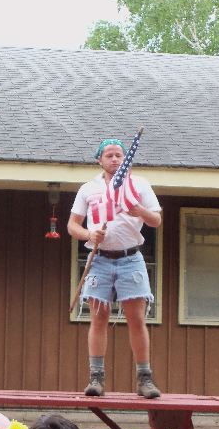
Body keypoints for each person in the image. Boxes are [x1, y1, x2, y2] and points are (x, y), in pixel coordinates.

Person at [67, 138, 162, 399]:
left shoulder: (138, 185)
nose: (115, 159)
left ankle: (145, 378)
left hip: (131, 257)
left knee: (136, 319)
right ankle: (96, 378)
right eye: (109, 155)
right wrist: (89, 234)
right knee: (98, 317)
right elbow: (72, 225)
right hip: (99, 258)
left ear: (126, 158)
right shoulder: (89, 188)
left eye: (119, 155)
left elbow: (156, 220)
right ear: (99, 160)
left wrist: (138, 209)